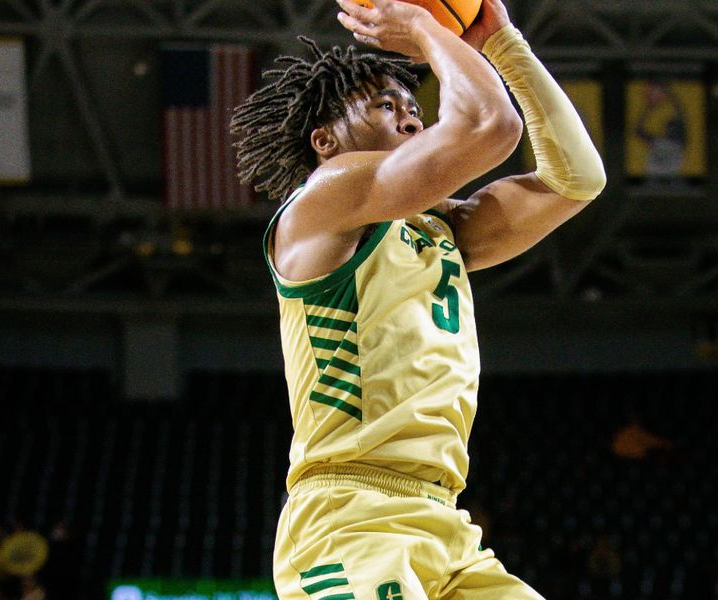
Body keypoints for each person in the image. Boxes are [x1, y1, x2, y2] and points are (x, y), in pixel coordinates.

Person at [231, 0, 605, 597]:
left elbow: (576, 180)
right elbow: (489, 128)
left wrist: (505, 45)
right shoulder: (320, 205)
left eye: (415, 109)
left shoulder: (445, 230)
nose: (412, 120)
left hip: (444, 521)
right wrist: (427, 30)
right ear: (325, 140)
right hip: (348, 519)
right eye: (387, 106)